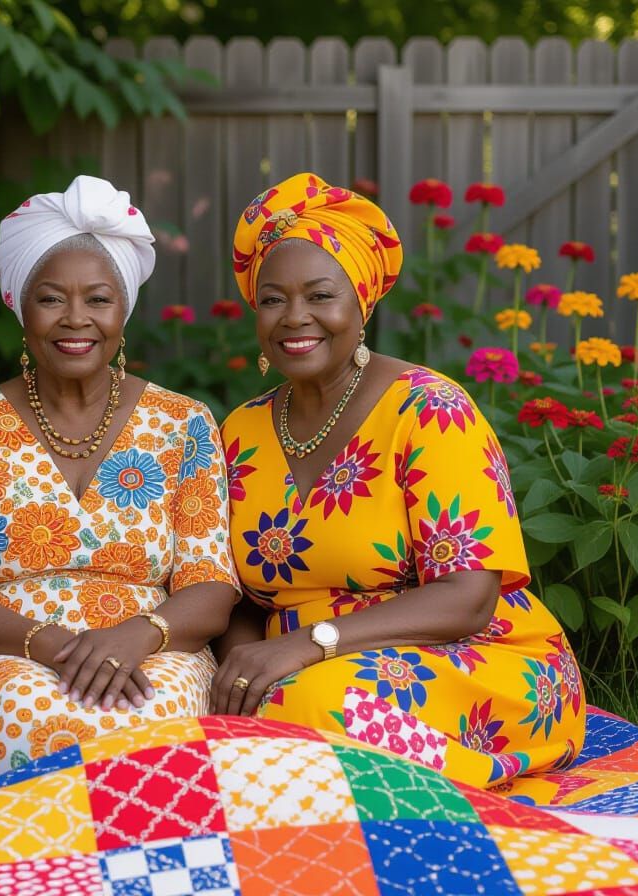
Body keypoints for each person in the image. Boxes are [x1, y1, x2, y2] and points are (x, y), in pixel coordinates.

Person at [211, 172, 586, 788]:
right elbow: (234, 595)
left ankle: (458, 803)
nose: (294, 317)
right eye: (273, 298)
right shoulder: (241, 431)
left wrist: (308, 645)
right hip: (300, 668)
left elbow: (468, 597)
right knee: (209, 699)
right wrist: (239, 667)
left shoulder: (429, 410)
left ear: (362, 302)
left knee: (313, 707)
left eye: (320, 295)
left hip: (473, 660)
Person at [0, 175, 238, 783]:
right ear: (19, 305)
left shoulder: (184, 422)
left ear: (123, 310)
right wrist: (59, 645)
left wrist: (133, 638)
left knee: (153, 710)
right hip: (9, 652)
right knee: (23, 711)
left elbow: (211, 586)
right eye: (51, 298)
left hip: (154, 649)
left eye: (98, 298)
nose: (75, 319)